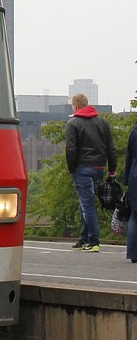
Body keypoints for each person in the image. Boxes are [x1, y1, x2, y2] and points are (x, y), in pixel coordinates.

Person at [65, 93, 117, 253]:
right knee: (85, 202)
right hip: (99, 168)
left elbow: (71, 149)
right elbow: (110, 147)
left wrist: (72, 168)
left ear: (75, 106)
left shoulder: (73, 123)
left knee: (87, 205)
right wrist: (112, 169)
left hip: (82, 168)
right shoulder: (103, 122)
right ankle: (84, 238)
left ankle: (94, 240)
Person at [127, 119, 137, 263]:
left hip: (135, 176)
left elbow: (129, 156)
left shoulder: (134, 131)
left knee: (134, 215)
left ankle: (133, 253)